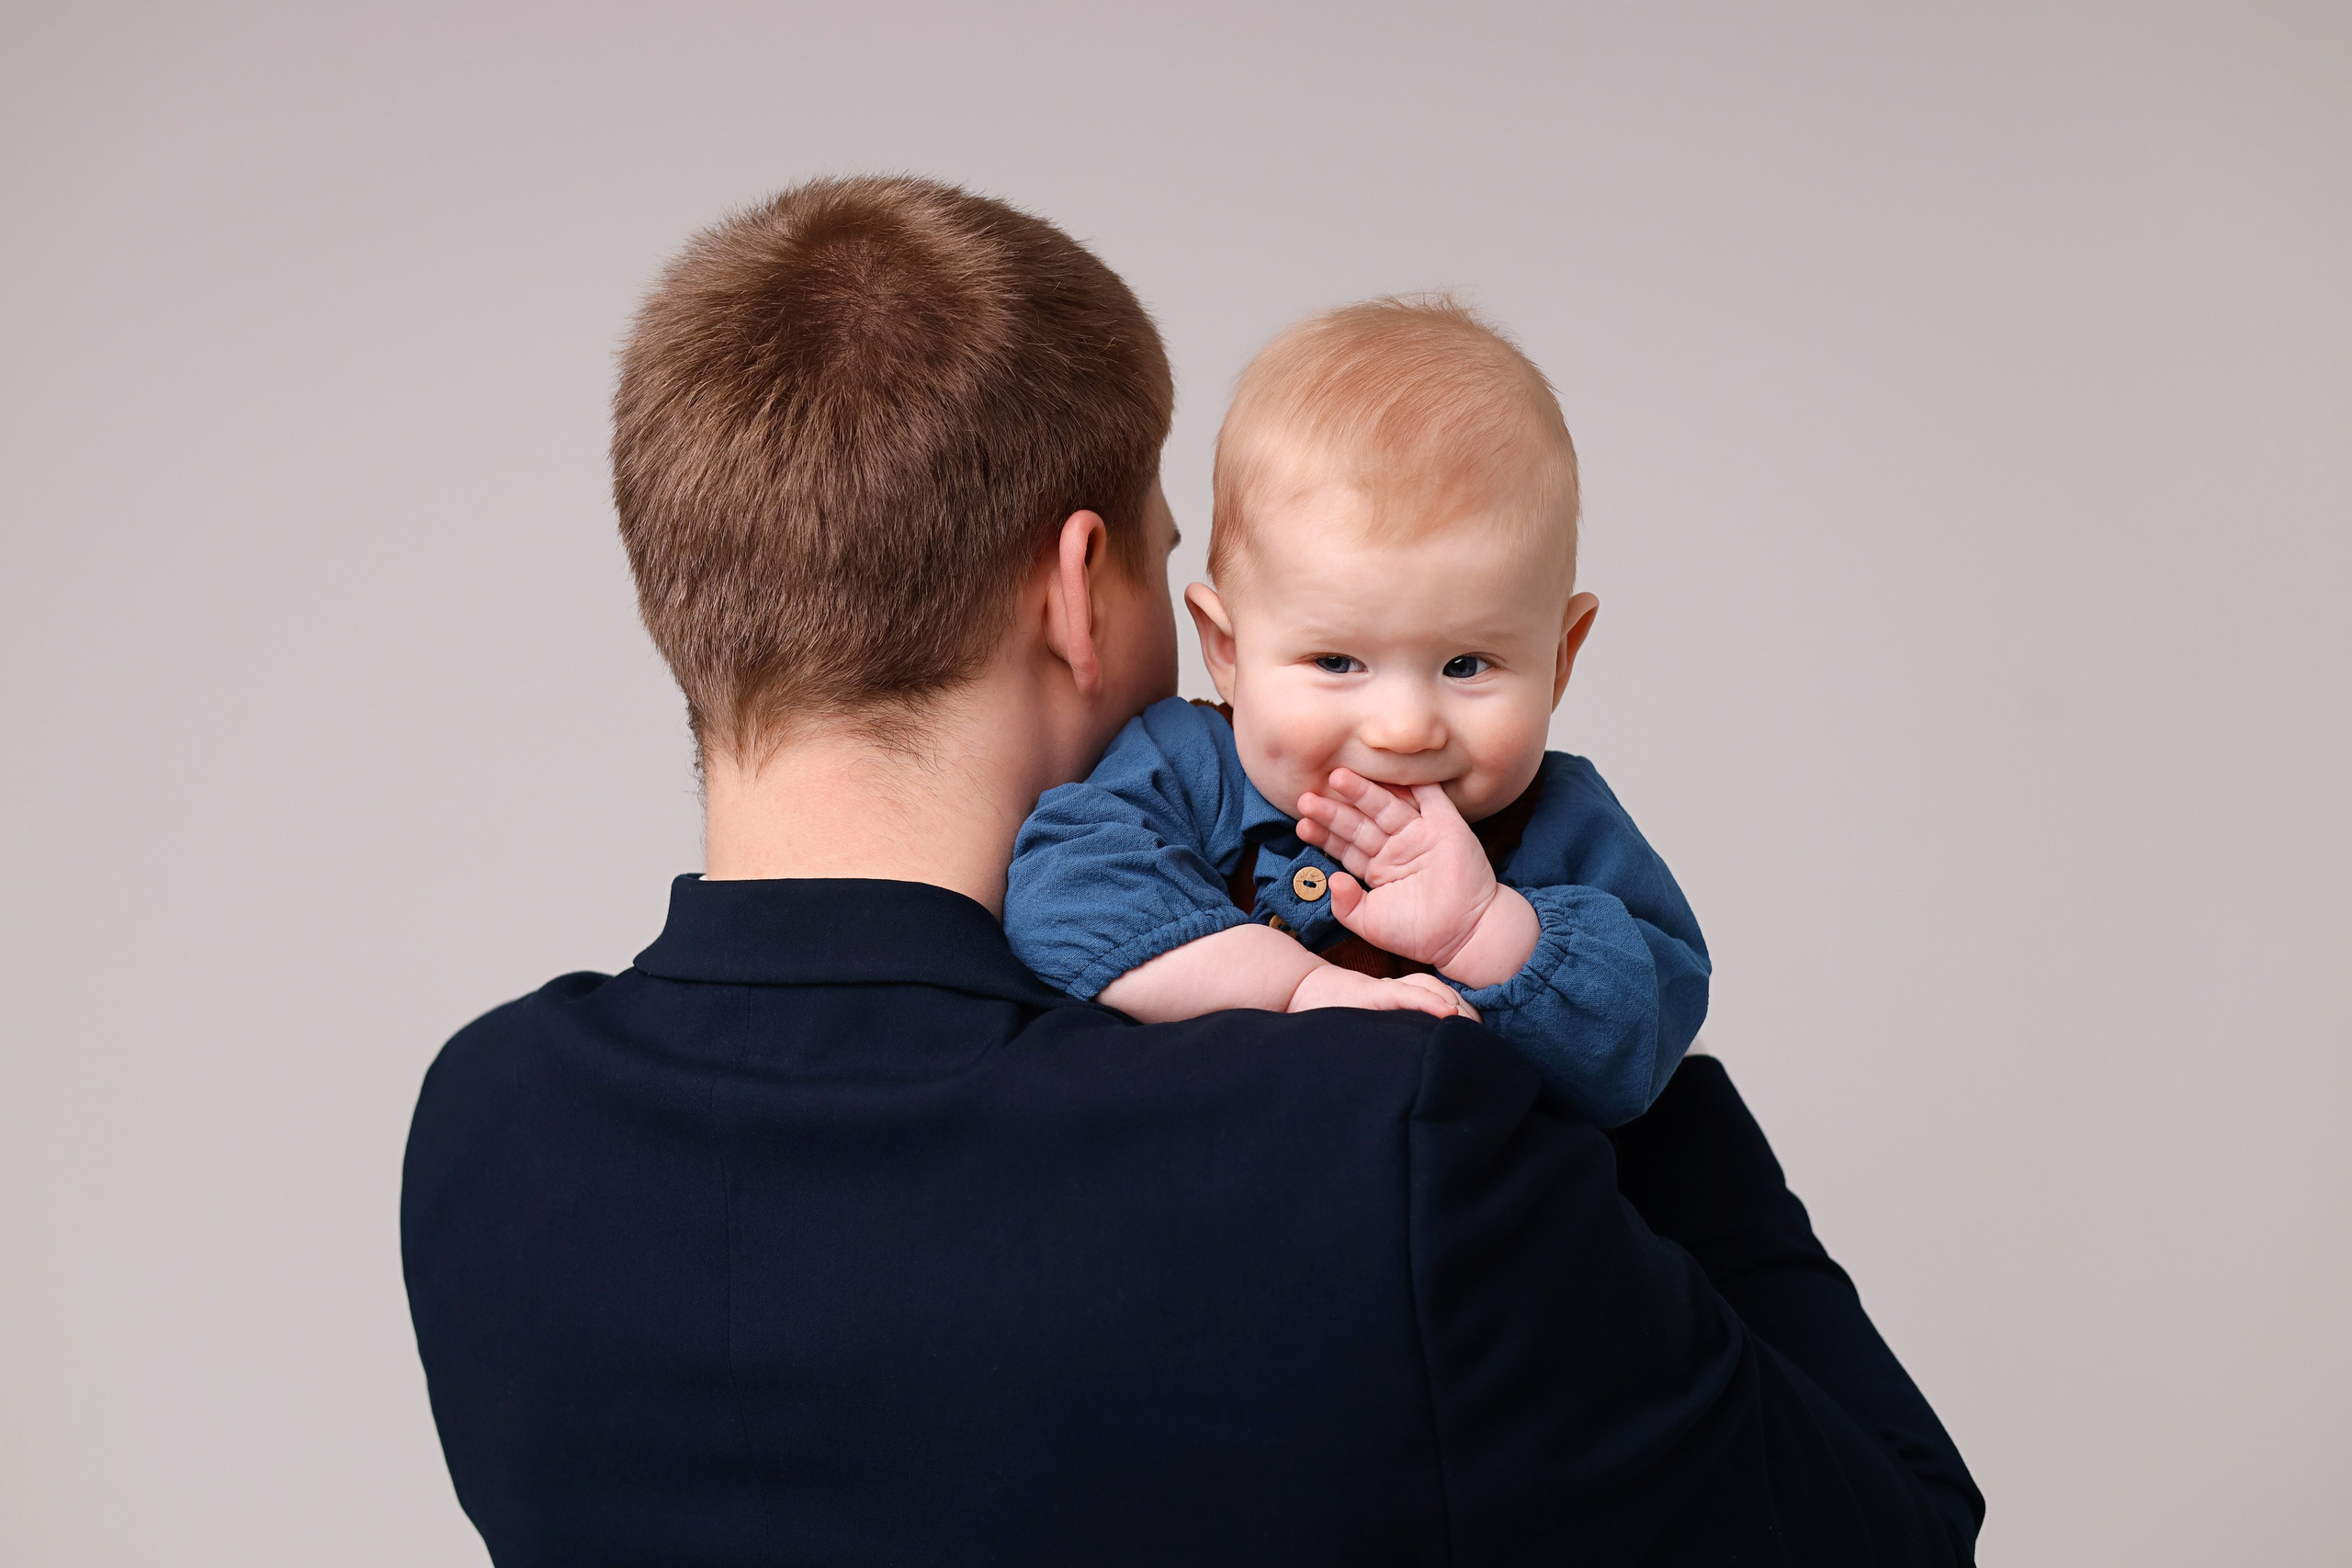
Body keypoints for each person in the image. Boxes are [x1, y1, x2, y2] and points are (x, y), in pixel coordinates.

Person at [401, 174, 1983, 1565]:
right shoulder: (1384, 1134)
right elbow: (1903, 1532)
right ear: (1083, 596)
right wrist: (1566, 1023)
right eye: (1171, 561)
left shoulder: (486, 1132)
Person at [1005, 297, 1708, 1126]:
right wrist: (1296, 985)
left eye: (1466, 664)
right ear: (1227, 651)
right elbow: (1062, 889)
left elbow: (1648, 1037)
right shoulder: (1186, 765)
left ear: (1561, 656)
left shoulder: (1566, 824)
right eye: (1337, 662)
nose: (1405, 728)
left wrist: (1483, 930)